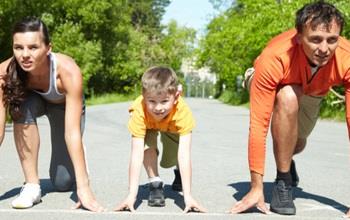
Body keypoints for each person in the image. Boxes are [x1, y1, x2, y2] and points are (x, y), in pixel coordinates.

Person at [230, 1, 350, 216]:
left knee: (298, 142)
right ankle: (283, 181)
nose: (324, 49)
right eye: (315, 40)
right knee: (288, 95)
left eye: (332, 40)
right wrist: (257, 187)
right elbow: (259, 125)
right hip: (275, 81)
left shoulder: (346, 57)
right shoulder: (275, 57)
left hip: (315, 91)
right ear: (299, 37)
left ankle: (287, 160)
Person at [0, 17, 104, 211]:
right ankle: (31, 185)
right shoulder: (4, 73)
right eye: (18, 47)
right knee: (21, 105)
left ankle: (78, 162)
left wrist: (84, 187)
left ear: (48, 48)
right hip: (33, 103)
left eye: (33, 47)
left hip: (64, 109)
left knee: (62, 183)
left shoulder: (68, 72)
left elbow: (71, 133)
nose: (24, 55)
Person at [114, 66, 206, 213]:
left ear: (176, 97)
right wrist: (131, 195)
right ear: (143, 96)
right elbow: (136, 155)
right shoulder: (140, 110)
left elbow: (184, 154)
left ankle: (179, 173)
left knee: (175, 154)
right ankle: (155, 182)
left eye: (164, 101)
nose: (158, 108)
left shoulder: (182, 113)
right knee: (146, 146)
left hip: (172, 128)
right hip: (149, 126)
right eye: (151, 101)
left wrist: (187, 197)